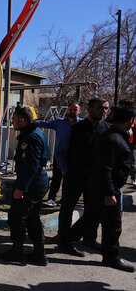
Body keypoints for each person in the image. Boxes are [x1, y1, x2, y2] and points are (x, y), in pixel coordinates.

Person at [58, 98, 111, 256]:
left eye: (106, 108)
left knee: (92, 210)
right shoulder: (75, 128)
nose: (103, 111)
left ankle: (89, 238)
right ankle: (64, 238)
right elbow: (61, 150)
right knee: (67, 207)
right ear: (89, 109)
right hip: (74, 175)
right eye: (100, 108)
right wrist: (64, 170)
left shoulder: (107, 129)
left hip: (95, 178)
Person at [0, 106, 49, 266]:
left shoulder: (31, 137)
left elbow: (31, 166)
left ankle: (17, 251)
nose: (12, 122)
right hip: (36, 182)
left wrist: (21, 188)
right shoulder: (32, 133)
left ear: (22, 120)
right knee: (32, 217)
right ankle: (39, 254)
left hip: (32, 184)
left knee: (16, 216)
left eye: (13, 119)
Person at [91, 106, 135, 272]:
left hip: (106, 186)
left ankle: (67, 240)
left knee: (91, 217)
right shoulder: (113, 139)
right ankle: (111, 257)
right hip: (109, 188)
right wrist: (110, 193)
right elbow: (105, 168)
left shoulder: (115, 136)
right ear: (130, 120)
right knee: (113, 225)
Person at [35, 103, 82, 207]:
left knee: (70, 180)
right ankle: (51, 198)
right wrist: (31, 121)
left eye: (75, 110)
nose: (72, 112)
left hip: (75, 157)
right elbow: (45, 123)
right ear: (67, 110)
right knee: (57, 177)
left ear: (79, 111)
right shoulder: (59, 122)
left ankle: (65, 200)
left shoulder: (82, 124)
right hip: (60, 156)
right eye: (70, 109)